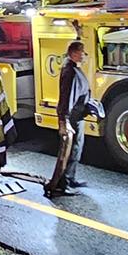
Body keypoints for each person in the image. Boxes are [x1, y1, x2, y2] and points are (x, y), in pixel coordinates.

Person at [44, 39, 96, 197]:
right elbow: (67, 98)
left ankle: (70, 178)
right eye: (82, 53)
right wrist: (64, 120)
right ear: (74, 53)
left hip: (77, 115)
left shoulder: (73, 69)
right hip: (72, 117)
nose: (84, 56)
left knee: (76, 148)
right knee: (69, 149)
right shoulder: (70, 72)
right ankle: (63, 183)